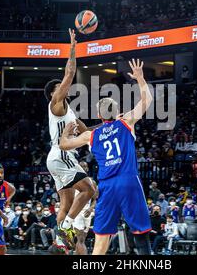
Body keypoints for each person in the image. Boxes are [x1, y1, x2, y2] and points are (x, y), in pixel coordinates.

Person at [59, 59, 153, 255]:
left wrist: (66, 132)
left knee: (101, 240)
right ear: (117, 111)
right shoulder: (126, 122)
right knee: (140, 234)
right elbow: (147, 101)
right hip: (128, 181)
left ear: (99, 116)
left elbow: (64, 145)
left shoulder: (91, 135)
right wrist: (140, 79)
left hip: (107, 186)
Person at [44, 28, 96, 249]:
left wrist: (114, 124)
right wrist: (73, 48)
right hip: (62, 154)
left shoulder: (70, 113)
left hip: (57, 158)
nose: (65, 88)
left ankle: (59, 244)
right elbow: (69, 74)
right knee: (89, 190)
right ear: (55, 93)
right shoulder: (56, 104)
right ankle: (65, 227)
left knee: (65, 204)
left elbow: (88, 133)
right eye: (60, 88)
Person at [72, 161, 99, 255]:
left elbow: (95, 199)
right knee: (81, 239)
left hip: (87, 213)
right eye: (81, 166)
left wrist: (91, 208)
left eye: (85, 166)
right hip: (76, 212)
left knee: (81, 239)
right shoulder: (72, 181)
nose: (83, 167)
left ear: (87, 168)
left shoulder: (93, 182)